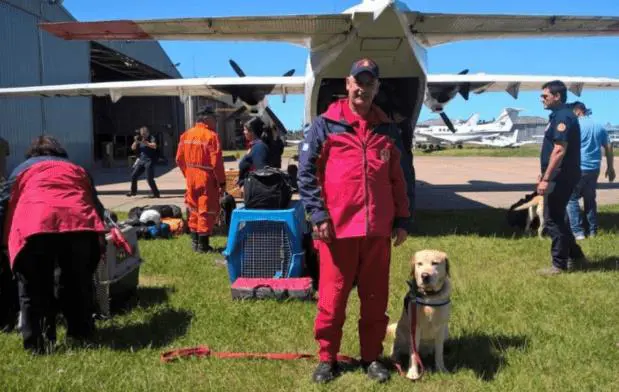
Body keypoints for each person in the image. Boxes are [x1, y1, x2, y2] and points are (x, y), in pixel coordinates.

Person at [297, 58, 410, 383]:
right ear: (348, 84)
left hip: (377, 231)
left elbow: (398, 178)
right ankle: (327, 358)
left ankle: (372, 357)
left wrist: (402, 218)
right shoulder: (324, 125)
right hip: (336, 231)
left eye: (369, 82)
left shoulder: (387, 129)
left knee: (375, 299)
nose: (363, 88)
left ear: (376, 87)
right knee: (332, 299)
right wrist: (318, 214)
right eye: (357, 81)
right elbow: (305, 173)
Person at [0, 136, 107, 354]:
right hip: (78, 226)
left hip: (34, 228)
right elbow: (96, 205)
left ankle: (37, 344)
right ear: (59, 152)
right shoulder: (77, 169)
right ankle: (80, 334)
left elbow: (3, 204)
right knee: (77, 283)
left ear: (32, 154)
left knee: (32, 288)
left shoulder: (21, 170)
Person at [537, 80, 587, 276]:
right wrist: (542, 174)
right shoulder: (559, 115)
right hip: (558, 175)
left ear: (557, 96)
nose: (542, 99)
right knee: (559, 217)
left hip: (561, 176)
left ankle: (559, 264)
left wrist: (546, 178)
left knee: (552, 219)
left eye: (545, 96)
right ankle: (576, 255)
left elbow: (559, 151)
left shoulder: (563, 117)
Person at [176, 107, 226, 253]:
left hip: (191, 176)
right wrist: (222, 182)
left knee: (193, 209)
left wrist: (188, 173)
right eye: (214, 119)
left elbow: (179, 159)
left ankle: (195, 242)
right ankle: (203, 246)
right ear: (206, 119)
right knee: (206, 210)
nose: (216, 122)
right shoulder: (211, 136)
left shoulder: (185, 135)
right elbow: (217, 163)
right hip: (206, 178)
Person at [566, 101, 615, 239]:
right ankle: (592, 231)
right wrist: (610, 167)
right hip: (594, 169)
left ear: (577, 111)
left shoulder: (574, 125)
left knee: (572, 199)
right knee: (590, 199)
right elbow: (609, 147)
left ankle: (578, 231)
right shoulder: (599, 126)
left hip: (578, 168)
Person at [126, 126, 160, 198]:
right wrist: (136, 141)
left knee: (149, 178)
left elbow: (154, 146)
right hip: (141, 160)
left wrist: (145, 142)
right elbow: (133, 148)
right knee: (134, 175)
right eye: (142, 134)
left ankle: (156, 194)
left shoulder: (151, 137)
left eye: (144, 134)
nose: (143, 135)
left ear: (148, 132)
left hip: (149, 160)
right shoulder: (140, 138)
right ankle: (133, 192)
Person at [237, 117, 271, 186]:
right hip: (251, 190)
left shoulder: (259, 148)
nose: (244, 132)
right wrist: (241, 178)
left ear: (252, 132)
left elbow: (261, 173)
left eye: (245, 130)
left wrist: (246, 184)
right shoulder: (254, 146)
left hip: (255, 192)